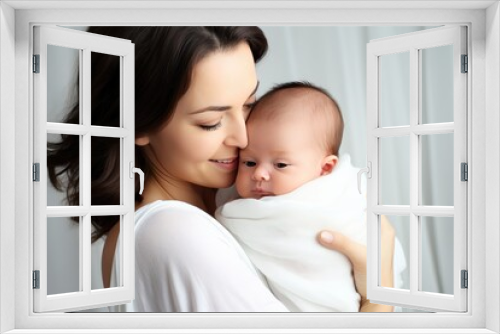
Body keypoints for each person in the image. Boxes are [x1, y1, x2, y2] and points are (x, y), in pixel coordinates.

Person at [47, 26, 395, 312]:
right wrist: (381, 293)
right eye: (211, 122)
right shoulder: (175, 233)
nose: (243, 137)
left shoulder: (221, 209)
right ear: (138, 124)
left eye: (248, 105)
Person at [216, 81, 405, 312]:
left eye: (281, 164)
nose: (259, 174)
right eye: (249, 161)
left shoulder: (342, 196)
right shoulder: (234, 204)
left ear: (325, 168)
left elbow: (365, 235)